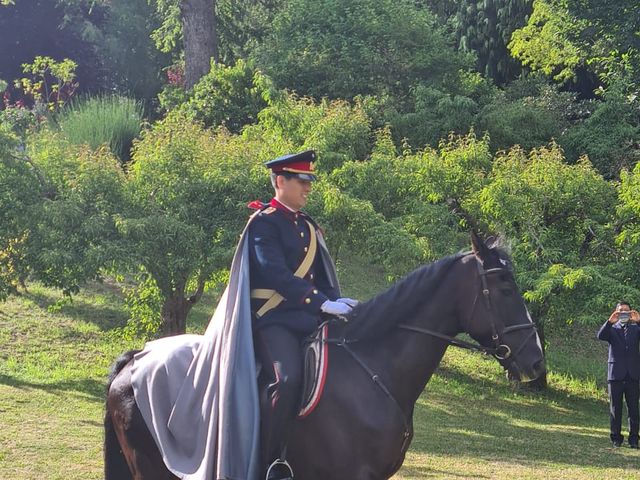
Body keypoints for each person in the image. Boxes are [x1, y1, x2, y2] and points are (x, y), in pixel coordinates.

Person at [247, 149, 358, 480]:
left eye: (309, 181)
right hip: (273, 320)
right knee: (287, 379)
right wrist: (321, 303)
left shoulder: (308, 226)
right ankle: (270, 464)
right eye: (301, 181)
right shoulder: (263, 223)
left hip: (308, 321)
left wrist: (339, 302)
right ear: (280, 181)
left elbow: (322, 277)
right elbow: (275, 273)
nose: (308, 188)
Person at [597, 301, 640, 448]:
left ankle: (634, 439)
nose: (624, 313)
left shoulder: (636, 329)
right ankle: (616, 438)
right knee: (615, 409)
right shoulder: (612, 329)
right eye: (621, 311)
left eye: (626, 311)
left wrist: (639, 321)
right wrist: (609, 322)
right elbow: (600, 336)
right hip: (615, 375)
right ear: (616, 312)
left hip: (633, 375)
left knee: (633, 409)